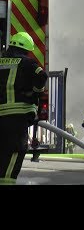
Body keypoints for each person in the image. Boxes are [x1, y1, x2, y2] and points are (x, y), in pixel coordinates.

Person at [0, 32, 48, 184]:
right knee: (13, 155)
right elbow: (42, 76)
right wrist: (35, 91)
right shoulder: (27, 63)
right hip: (17, 117)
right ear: (26, 49)